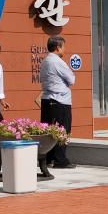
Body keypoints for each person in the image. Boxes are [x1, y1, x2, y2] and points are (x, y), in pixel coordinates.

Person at [39, 35, 76, 168]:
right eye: (63, 46)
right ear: (57, 47)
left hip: (47, 99)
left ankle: (48, 159)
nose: (64, 49)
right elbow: (71, 80)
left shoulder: (45, 61)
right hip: (60, 100)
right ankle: (60, 160)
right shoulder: (58, 62)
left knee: (48, 131)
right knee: (62, 130)